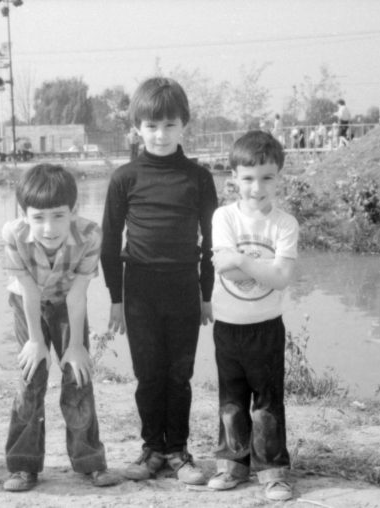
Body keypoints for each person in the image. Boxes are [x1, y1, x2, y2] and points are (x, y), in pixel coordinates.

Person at [101, 77, 218, 485]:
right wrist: (116, 299)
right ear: (137, 127)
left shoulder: (199, 178)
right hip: (140, 291)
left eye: (169, 125)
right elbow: (109, 242)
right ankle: (152, 448)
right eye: (151, 126)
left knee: (179, 375)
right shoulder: (124, 178)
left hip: (185, 288)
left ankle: (178, 451)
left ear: (184, 124)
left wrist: (206, 295)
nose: (161, 134)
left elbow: (212, 244)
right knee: (148, 374)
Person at [0, 163, 122, 492]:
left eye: (58, 215)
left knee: (78, 378)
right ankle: (23, 465)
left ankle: (90, 462)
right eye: (38, 217)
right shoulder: (12, 235)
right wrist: (36, 342)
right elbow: (27, 290)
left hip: (70, 304)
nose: (49, 227)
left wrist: (77, 347)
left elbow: (79, 294)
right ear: (24, 214)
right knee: (31, 379)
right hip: (29, 306)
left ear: (74, 210)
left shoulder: (90, 234)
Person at [206, 130, 299, 502]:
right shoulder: (223, 216)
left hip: (266, 327)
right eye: (247, 178)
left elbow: (281, 278)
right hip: (228, 326)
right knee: (230, 399)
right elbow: (225, 272)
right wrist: (263, 266)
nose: (256, 188)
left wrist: (243, 260)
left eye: (266, 178)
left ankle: (273, 471)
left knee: (267, 402)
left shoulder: (285, 224)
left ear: (279, 177)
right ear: (234, 180)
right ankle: (233, 462)